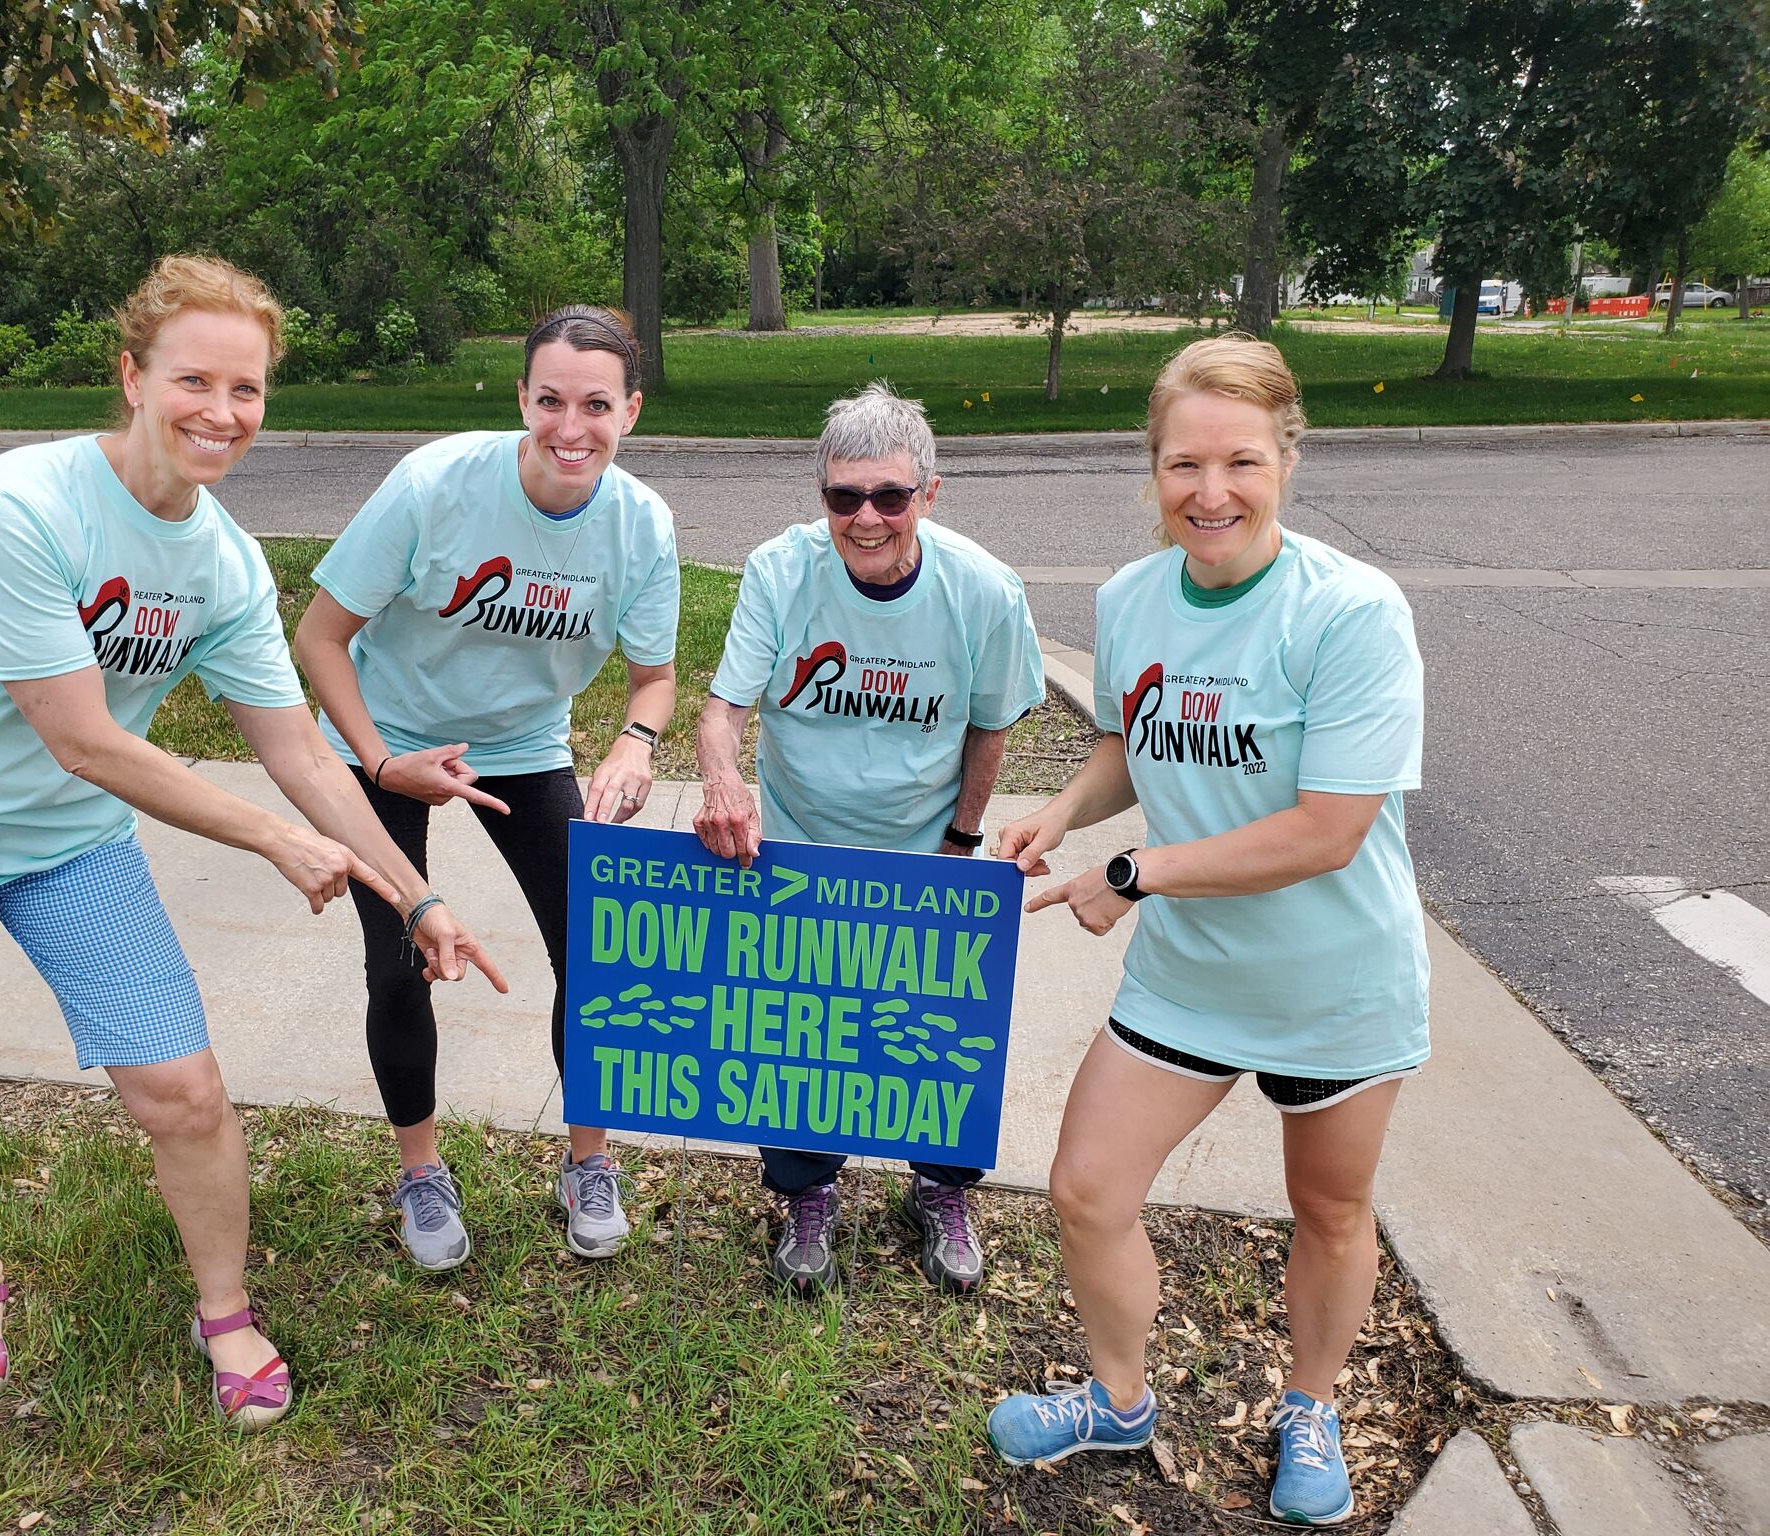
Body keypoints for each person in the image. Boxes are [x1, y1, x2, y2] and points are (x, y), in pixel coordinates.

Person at [0, 255, 503, 1431]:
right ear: (131, 376)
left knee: (184, 1089)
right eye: (195, 380)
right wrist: (274, 842)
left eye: (248, 390)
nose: (221, 414)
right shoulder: (22, 504)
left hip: (61, 843)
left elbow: (299, 752)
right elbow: (83, 738)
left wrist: (412, 896)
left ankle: (223, 1313)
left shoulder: (223, 562)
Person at [983, 336, 1427, 1527]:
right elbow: (1130, 748)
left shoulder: (1348, 612)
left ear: (1285, 456)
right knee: (1085, 1187)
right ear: (1153, 468)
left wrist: (1130, 872)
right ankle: (1120, 1399)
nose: (1210, 492)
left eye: (1240, 460)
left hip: (1333, 984)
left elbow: (1325, 830)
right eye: (1184, 464)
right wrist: (1062, 813)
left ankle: (1311, 1407)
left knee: (1329, 1211)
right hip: (1187, 977)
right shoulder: (1132, 600)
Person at [293, 304, 678, 1268]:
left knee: (599, 958)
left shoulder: (642, 525)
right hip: (390, 743)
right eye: (549, 400)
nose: (570, 428)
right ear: (522, 399)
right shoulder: (434, 486)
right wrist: (383, 762)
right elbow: (319, 638)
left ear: (631, 411)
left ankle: (588, 1162)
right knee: (400, 960)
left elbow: (656, 678)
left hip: (526, 746)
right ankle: (421, 1173)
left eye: (596, 404)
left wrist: (634, 743)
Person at [694, 381, 1044, 1296]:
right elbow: (724, 706)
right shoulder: (781, 570)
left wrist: (963, 842)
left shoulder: (983, 590)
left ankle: (941, 1187)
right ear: (821, 496)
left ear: (930, 493)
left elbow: (991, 723)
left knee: (933, 1030)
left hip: (923, 845)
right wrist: (723, 777)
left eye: (891, 496)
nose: (867, 518)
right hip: (800, 849)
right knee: (799, 1028)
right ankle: (808, 1193)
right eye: (844, 496)